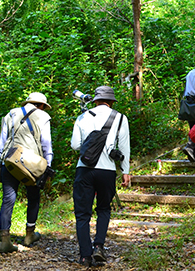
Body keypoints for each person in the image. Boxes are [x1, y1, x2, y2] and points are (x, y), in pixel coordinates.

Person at [71, 86, 131, 267]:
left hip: (84, 169)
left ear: (95, 100)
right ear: (112, 101)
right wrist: (125, 171)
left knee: (82, 214)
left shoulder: (82, 117)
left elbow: (75, 145)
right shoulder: (120, 117)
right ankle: (99, 246)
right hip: (107, 171)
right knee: (104, 209)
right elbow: (125, 146)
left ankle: (85, 255)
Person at [0, 92, 53, 253]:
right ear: (41, 105)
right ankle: (29, 235)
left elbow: (2, 141)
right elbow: (46, 144)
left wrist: (0, 163)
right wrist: (47, 166)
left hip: (10, 160)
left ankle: (5, 240)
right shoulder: (43, 116)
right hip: (32, 163)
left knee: (8, 198)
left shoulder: (11, 113)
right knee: (33, 197)